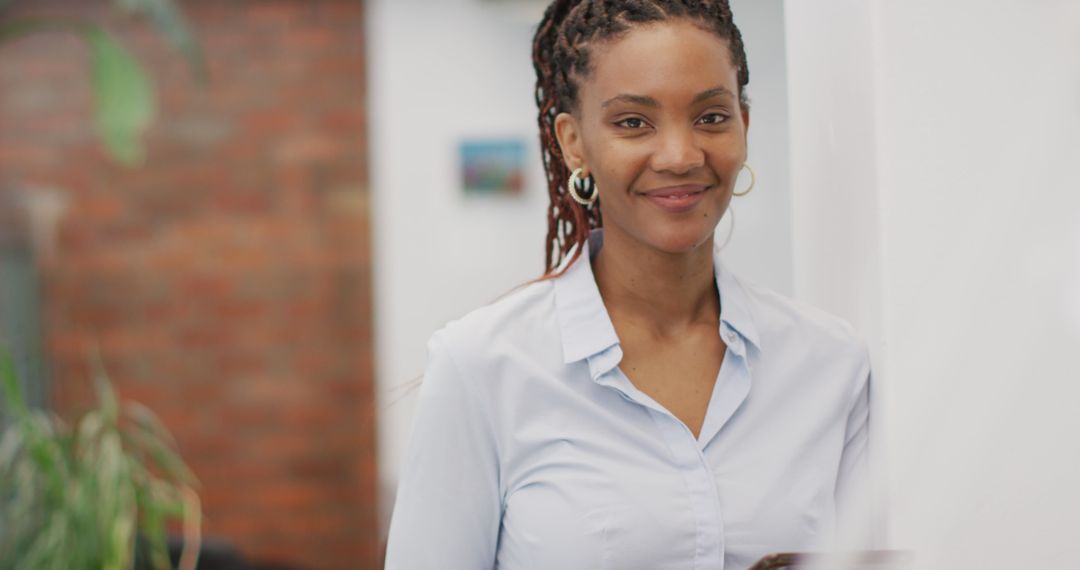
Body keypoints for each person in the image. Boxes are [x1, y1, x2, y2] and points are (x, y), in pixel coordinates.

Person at [385, 1, 875, 568]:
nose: (680, 155)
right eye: (633, 123)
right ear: (573, 142)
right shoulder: (482, 366)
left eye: (711, 116)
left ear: (745, 124)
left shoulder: (830, 364)